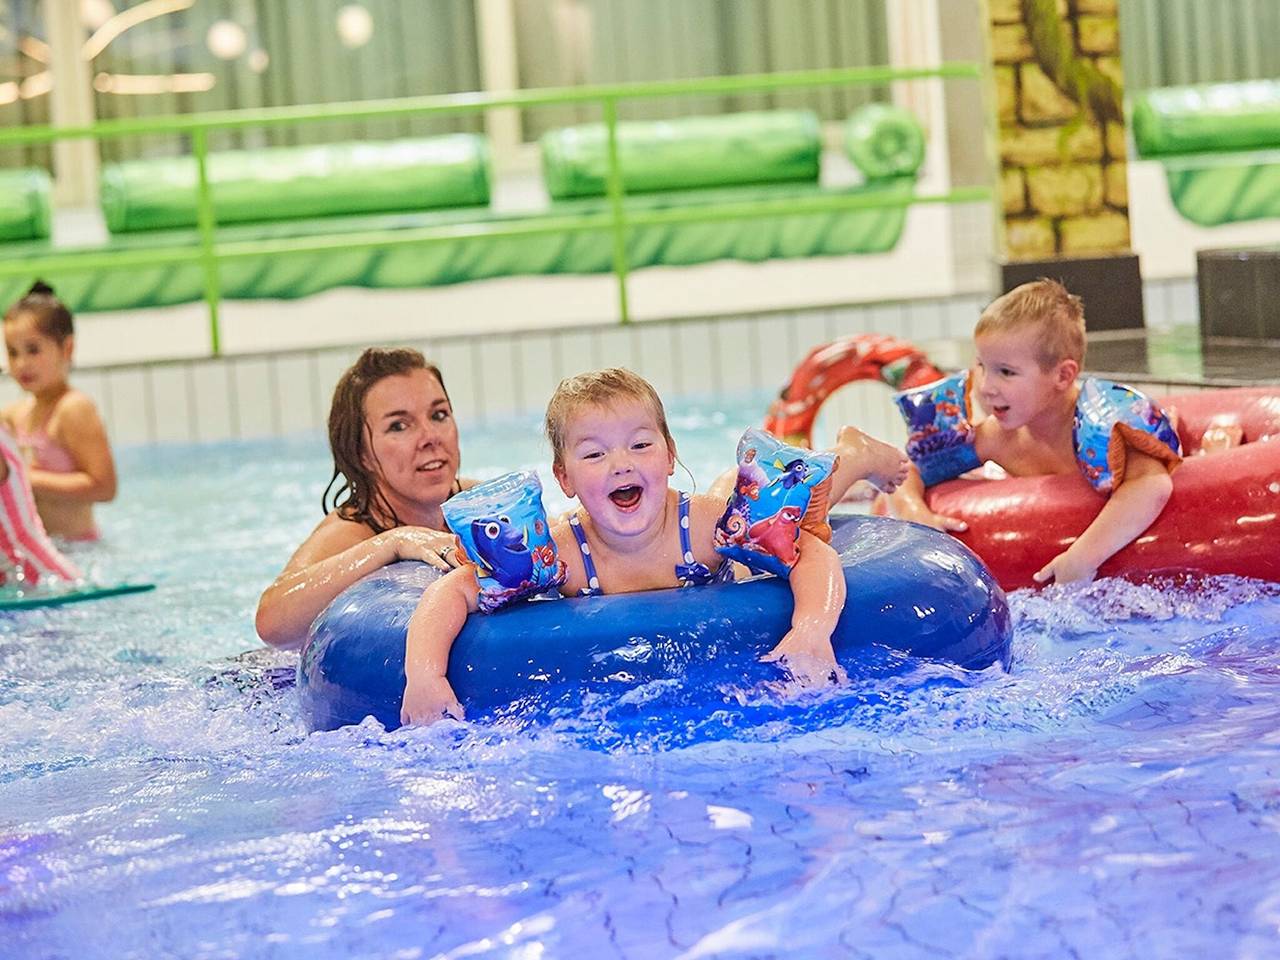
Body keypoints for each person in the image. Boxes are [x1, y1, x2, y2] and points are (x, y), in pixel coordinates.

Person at [400, 368, 859, 725]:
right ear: (564, 478)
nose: (620, 464)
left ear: (670, 455)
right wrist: (425, 676)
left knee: (787, 515)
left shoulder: (704, 526)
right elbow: (453, 590)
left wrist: (811, 629)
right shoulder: (563, 552)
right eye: (594, 454)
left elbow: (810, 553)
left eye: (640, 445)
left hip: (725, 551)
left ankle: (855, 456)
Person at [886, 278, 1181, 584]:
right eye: (982, 366)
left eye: (1006, 372)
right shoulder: (1000, 438)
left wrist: (1084, 556)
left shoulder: (1104, 430)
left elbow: (1152, 484)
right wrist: (914, 513)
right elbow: (906, 470)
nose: (985, 387)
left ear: (1063, 376)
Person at [255, 347, 474, 649]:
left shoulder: (474, 503)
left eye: (439, 415)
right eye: (399, 426)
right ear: (361, 454)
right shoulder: (353, 532)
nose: (430, 437)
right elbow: (271, 622)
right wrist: (395, 541)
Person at [2, 282, 116, 540]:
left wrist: (24, 478)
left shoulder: (73, 409)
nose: (22, 363)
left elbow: (104, 487)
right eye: (12, 352)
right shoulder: (14, 415)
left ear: (67, 349)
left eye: (33, 350)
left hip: (79, 549)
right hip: (38, 548)